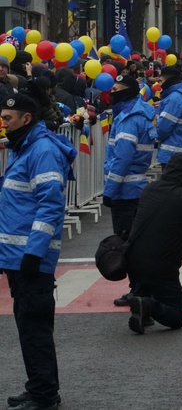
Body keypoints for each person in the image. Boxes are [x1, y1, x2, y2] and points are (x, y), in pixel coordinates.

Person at [0, 89, 77, 410]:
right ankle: (38, 388)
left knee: (35, 330)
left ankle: (45, 396)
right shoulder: (24, 146)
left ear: (26, 118)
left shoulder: (41, 150)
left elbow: (49, 206)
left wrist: (33, 253)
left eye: (7, 118)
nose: (3, 124)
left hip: (32, 260)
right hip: (18, 259)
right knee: (28, 328)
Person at [124, 153, 182, 335]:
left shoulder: (149, 189)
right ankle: (147, 305)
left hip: (133, 260)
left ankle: (142, 302)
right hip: (162, 264)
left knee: (146, 285)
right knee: (176, 316)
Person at [103, 74, 156, 307]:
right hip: (134, 187)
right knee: (136, 243)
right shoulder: (137, 113)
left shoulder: (128, 118)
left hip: (126, 189)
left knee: (128, 244)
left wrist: (109, 190)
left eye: (116, 88)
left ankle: (139, 291)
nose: (111, 92)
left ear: (126, 92)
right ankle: (141, 288)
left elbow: (122, 158)